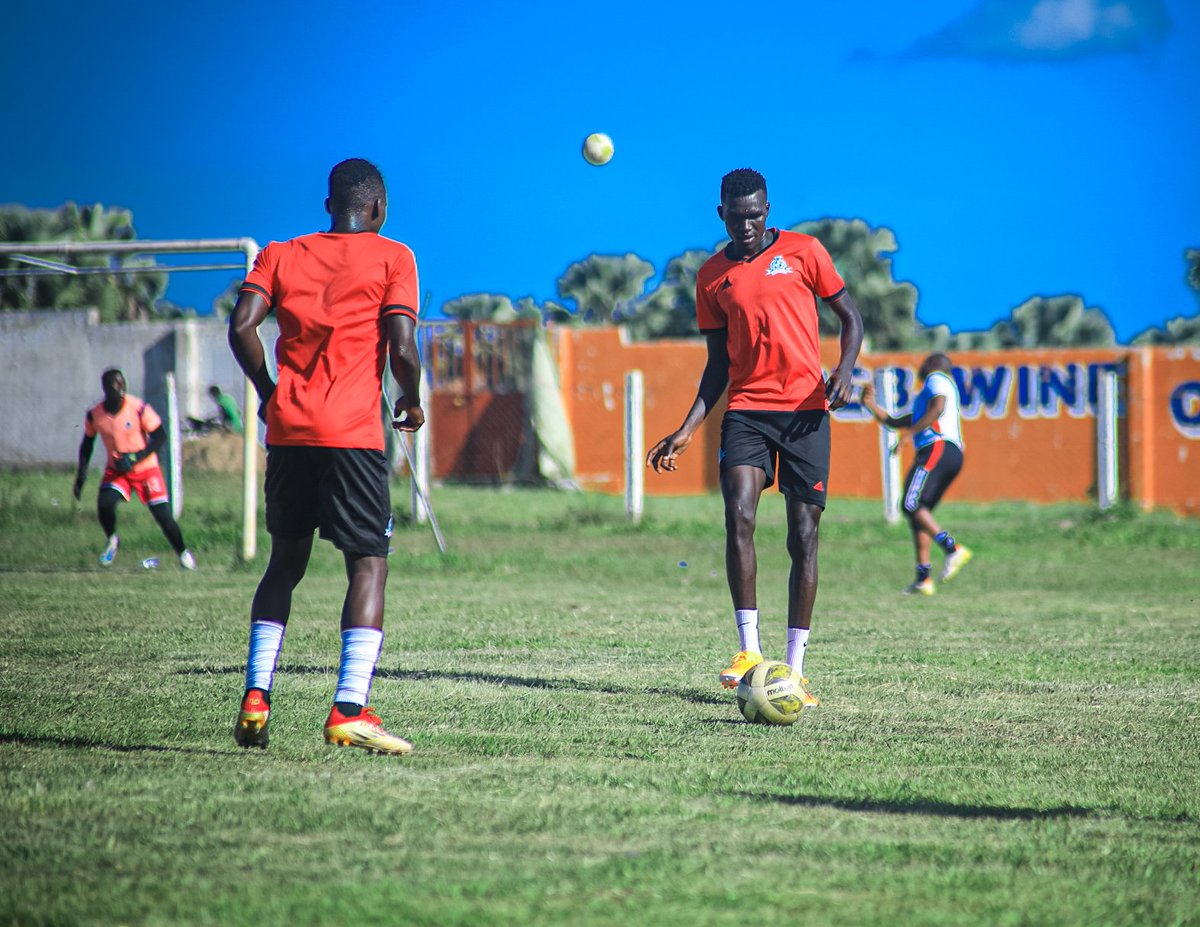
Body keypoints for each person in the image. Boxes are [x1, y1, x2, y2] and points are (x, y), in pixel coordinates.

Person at [646, 168, 864, 706]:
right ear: (719, 213)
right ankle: (748, 650)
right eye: (736, 215)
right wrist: (688, 427)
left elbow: (850, 318)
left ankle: (794, 668)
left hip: (805, 413)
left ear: (768, 211)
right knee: (739, 512)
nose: (746, 224)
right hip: (746, 411)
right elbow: (717, 365)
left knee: (803, 536)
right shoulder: (711, 277)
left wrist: (845, 369)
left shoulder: (806, 252)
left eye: (755, 214)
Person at [228, 158, 423, 755]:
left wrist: (268, 394)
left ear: (327, 205)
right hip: (353, 434)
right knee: (368, 563)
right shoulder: (395, 257)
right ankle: (348, 709)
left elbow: (241, 327)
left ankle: (257, 695)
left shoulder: (280, 254)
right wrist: (411, 399)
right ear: (379, 210)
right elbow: (403, 344)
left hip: (289, 431)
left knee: (285, 562)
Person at [860, 353, 973, 595]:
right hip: (947, 451)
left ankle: (953, 549)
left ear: (934, 366)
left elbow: (938, 407)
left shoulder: (937, 379)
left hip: (938, 446)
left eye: (925, 362)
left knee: (910, 504)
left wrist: (910, 435)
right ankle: (923, 578)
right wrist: (870, 404)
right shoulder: (926, 397)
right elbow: (894, 420)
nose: (921, 366)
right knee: (919, 511)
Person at [72, 368, 196, 570]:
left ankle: (183, 554)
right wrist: (81, 475)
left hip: (146, 470)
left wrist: (135, 458)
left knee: (163, 516)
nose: (121, 389)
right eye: (116, 385)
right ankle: (112, 540)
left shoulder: (138, 408)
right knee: (104, 503)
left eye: (123, 384)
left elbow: (160, 436)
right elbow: (87, 444)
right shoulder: (95, 415)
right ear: (105, 389)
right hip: (118, 472)